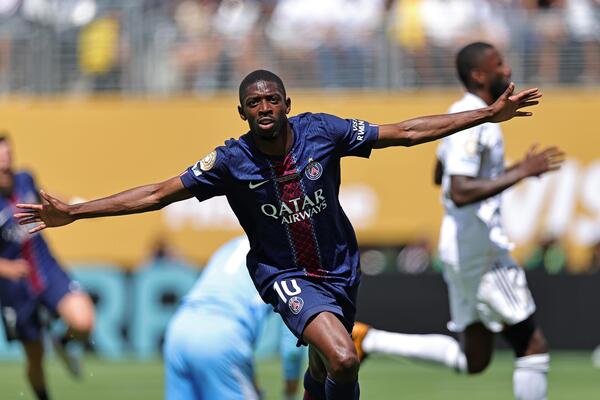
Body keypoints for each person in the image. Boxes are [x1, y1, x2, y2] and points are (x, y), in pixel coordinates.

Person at [15, 69, 541, 399]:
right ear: (241, 112)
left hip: (340, 270)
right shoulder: (230, 161)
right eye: (254, 103)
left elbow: (403, 133)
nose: (264, 108)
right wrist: (77, 212)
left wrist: (486, 115)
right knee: (344, 358)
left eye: (272, 100)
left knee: (322, 368)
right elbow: (157, 193)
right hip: (284, 274)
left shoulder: (323, 132)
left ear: (287, 103)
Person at [353, 42, 563, 400]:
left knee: (473, 359)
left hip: (461, 248)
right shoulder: (475, 119)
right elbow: (459, 189)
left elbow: (440, 173)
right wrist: (521, 172)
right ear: (479, 75)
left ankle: (369, 340)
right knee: (532, 346)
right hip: (481, 251)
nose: (507, 70)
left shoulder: (461, 115)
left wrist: (510, 170)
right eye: (499, 64)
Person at [0, 134, 95, 400]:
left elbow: (46, 200)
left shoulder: (25, 179)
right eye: (0, 157)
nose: (5, 161)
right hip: (15, 288)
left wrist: (76, 207)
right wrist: (6, 268)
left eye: (8, 154)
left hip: (46, 270)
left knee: (84, 321)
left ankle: (62, 343)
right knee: (35, 356)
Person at [164, 236, 306, 400]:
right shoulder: (283, 256)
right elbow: (292, 346)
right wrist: (290, 391)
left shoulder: (231, 245)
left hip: (180, 329)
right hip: (223, 335)